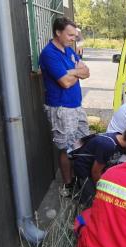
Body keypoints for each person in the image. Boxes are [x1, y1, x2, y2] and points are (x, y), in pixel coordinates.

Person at [39, 17, 90, 196]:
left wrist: (72, 72)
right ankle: (68, 186)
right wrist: (77, 72)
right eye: (69, 35)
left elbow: (87, 72)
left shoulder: (68, 50)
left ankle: (81, 178)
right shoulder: (49, 54)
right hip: (61, 108)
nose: (73, 39)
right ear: (58, 33)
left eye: (74, 36)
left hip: (76, 105)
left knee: (83, 142)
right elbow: (65, 83)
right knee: (67, 147)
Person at [72, 123, 126, 205]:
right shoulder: (108, 145)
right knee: (93, 202)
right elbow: (95, 172)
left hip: (101, 167)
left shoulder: (121, 139)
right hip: (85, 172)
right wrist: (103, 190)